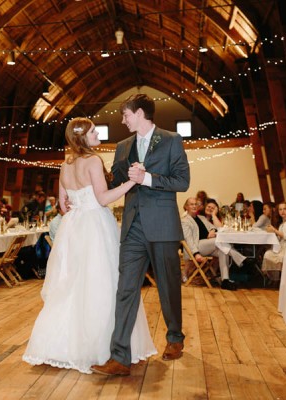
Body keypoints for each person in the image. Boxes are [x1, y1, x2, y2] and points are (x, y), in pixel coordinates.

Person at [23, 117, 156, 374]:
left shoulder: (64, 166)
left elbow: (63, 206)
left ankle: (59, 347)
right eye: (94, 131)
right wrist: (132, 182)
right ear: (82, 136)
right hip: (95, 226)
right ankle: (101, 348)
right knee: (102, 284)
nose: (98, 134)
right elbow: (103, 198)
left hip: (72, 228)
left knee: (71, 285)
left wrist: (77, 205)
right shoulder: (94, 161)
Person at [90, 94, 190, 376]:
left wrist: (147, 178)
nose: (122, 120)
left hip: (162, 225)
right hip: (133, 227)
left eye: (126, 115)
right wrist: (81, 189)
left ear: (141, 113)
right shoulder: (122, 146)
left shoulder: (171, 140)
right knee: (125, 289)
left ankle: (175, 338)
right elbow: (113, 179)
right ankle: (120, 357)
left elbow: (182, 181)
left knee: (168, 286)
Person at [181, 197, 251, 291]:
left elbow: (217, 228)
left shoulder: (201, 218)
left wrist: (212, 231)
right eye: (191, 204)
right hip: (196, 247)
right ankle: (241, 259)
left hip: (207, 245)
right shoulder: (185, 220)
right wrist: (196, 253)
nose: (194, 206)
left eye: (195, 204)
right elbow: (189, 240)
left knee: (223, 251)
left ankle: (225, 280)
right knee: (218, 241)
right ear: (186, 206)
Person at [262, 202, 286, 281]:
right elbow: (279, 239)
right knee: (267, 254)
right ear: (278, 212)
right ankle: (275, 279)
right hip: (282, 246)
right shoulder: (281, 225)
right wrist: (271, 233)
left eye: (285, 209)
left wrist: (274, 230)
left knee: (281, 257)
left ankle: (285, 279)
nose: (282, 211)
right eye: (280, 209)